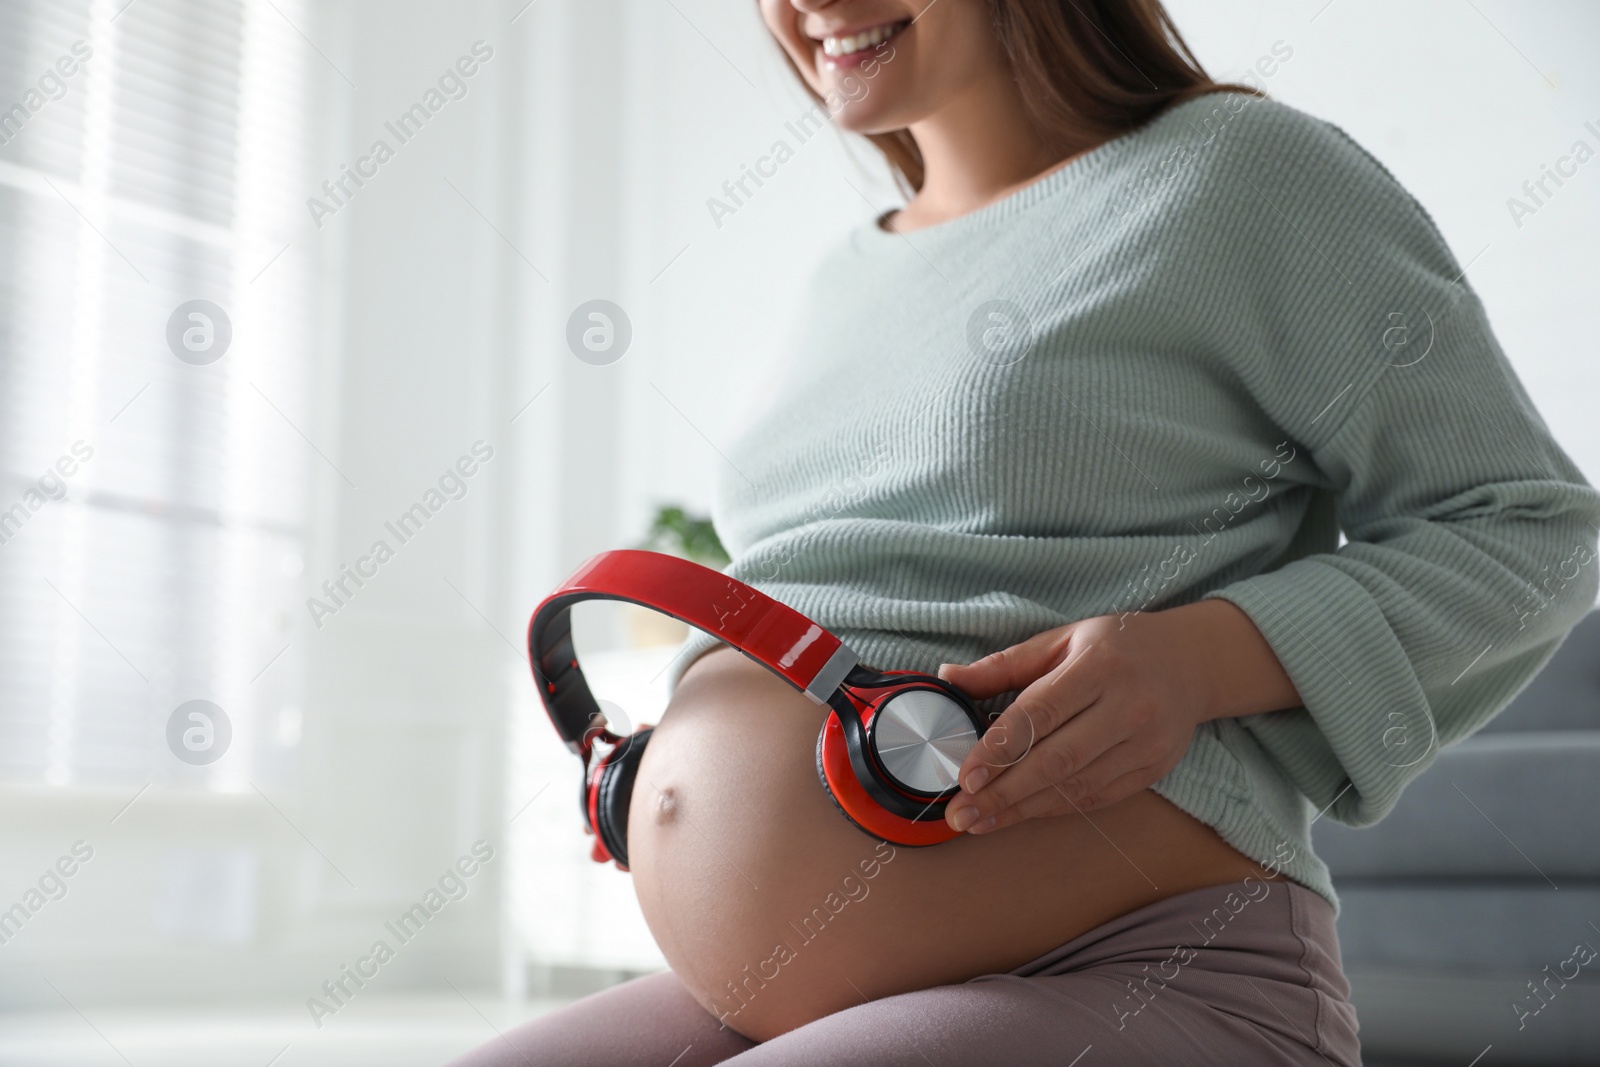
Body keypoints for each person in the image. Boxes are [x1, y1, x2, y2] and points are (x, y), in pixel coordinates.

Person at [451, 1, 1600, 1063]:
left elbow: (1532, 530)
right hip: (772, 993)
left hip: (1147, 970)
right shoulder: (840, 280)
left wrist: (1199, 658)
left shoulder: (1243, 176)